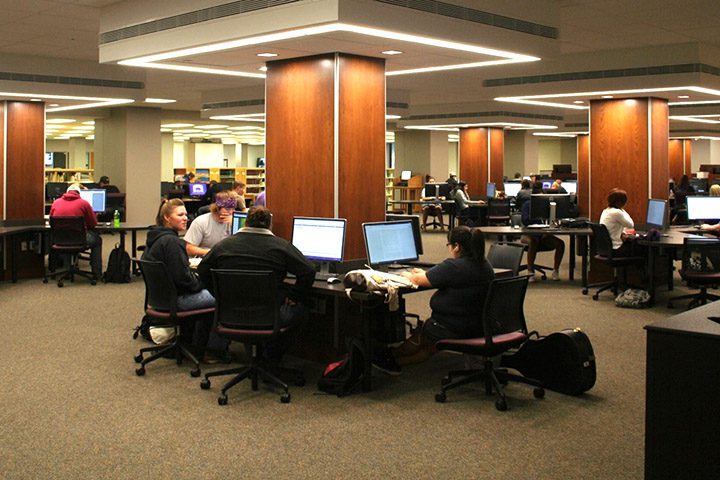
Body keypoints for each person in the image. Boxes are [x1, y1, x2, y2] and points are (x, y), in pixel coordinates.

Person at [197, 206, 316, 363]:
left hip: (231, 314)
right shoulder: (281, 246)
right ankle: (270, 357)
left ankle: (245, 355)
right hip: (270, 316)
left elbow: (202, 270)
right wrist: (295, 295)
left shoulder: (223, 246)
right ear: (270, 224)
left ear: (245, 223)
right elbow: (309, 271)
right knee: (303, 308)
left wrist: (219, 295)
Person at [372, 226, 494, 375]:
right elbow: (436, 276)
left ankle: (391, 357)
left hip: (449, 327)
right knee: (429, 345)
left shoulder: (453, 266)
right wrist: (426, 274)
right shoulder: (485, 265)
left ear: (457, 247)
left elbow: (418, 280)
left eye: (449, 245)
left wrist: (406, 274)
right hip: (478, 326)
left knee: (424, 336)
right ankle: (395, 361)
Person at [142, 198, 215, 357]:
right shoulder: (172, 242)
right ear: (167, 218)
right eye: (180, 215)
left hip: (159, 299)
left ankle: (192, 342)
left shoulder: (155, 238)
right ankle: (210, 351)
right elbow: (184, 281)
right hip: (176, 300)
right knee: (220, 296)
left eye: (186, 214)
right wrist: (203, 282)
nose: (185, 218)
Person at [49, 183, 103, 278]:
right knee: (97, 240)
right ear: (79, 193)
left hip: (60, 240)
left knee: (67, 239)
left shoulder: (56, 203)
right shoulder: (84, 203)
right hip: (80, 239)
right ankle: (97, 273)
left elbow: (51, 222)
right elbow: (93, 223)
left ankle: (63, 270)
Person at [520, 187, 565, 281]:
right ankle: (530, 271)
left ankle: (555, 271)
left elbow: (554, 219)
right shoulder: (527, 205)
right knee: (533, 241)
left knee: (560, 244)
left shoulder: (548, 206)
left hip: (544, 234)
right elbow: (525, 220)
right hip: (528, 234)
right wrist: (539, 219)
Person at [184, 190, 238, 257]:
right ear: (217, 208)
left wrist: (235, 225)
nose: (231, 212)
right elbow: (189, 249)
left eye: (233, 209)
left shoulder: (234, 221)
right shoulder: (201, 222)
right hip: (206, 259)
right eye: (227, 209)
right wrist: (213, 253)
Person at [599, 188, 638, 257]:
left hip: (608, 249)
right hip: (616, 249)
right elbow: (631, 224)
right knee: (641, 249)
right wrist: (622, 209)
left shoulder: (605, 211)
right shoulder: (617, 212)